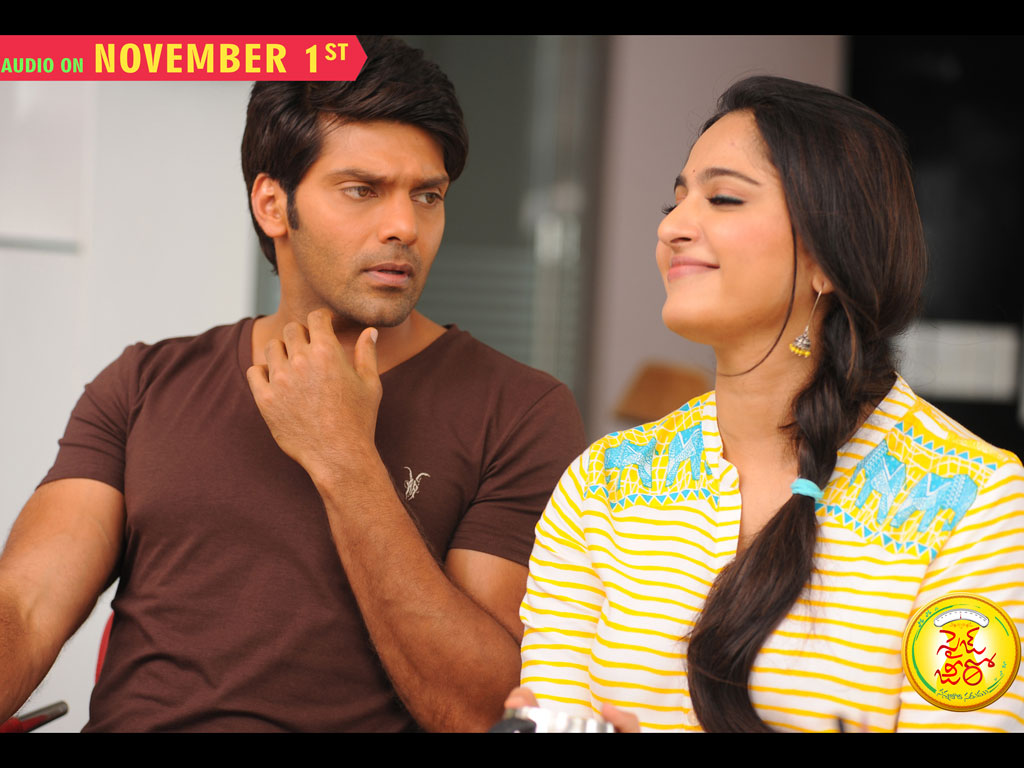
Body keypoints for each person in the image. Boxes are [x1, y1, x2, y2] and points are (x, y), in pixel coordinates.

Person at [0, 36, 586, 732]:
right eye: (362, 190)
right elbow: (26, 607)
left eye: (427, 196)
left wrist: (344, 457)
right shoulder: (143, 385)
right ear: (273, 204)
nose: (405, 226)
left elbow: (482, 711)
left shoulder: (519, 410)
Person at [509, 76, 1024, 732]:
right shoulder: (602, 485)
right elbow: (553, 711)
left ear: (831, 258)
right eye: (675, 201)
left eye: (723, 198)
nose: (671, 228)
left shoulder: (972, 501)